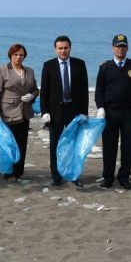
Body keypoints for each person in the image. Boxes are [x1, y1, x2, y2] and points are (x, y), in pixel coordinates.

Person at [94, 34, 131, 190]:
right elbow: (99, 91)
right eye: (118, 46)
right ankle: (108, 177)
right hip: (110, 113)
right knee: (109, 146)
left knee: (128, 147)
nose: (120, 49)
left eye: (123, 46)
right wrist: (100, 108)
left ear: (127, 48)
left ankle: (124, 177)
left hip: (130, 113)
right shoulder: (105, 67)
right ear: (113, 48)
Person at [40, 35, 89, 187]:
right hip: (55, 112)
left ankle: (74, 175)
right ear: (55, 49)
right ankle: (56, 175)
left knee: (73, 144)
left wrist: (84, 112)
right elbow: (44, 91)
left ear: (70, 48)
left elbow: (84, 91)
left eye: (66, 48)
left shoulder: (79, 64)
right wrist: (44, 112)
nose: (63, 51)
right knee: (55, 145)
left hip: (74, 111)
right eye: (60, 48)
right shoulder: (48, 65)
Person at [0, 43, 38, 181]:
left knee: (21, 144)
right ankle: (9, 172)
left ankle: (18, 172)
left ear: (24, 56)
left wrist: (32, 96)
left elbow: (36, 89)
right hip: (7, 113)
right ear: (10, 55)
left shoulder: (29, 71)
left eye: (21, 55)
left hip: (25, 113)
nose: (18, 57)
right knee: (9, 144)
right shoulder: (2, 70)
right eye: (15, 54)